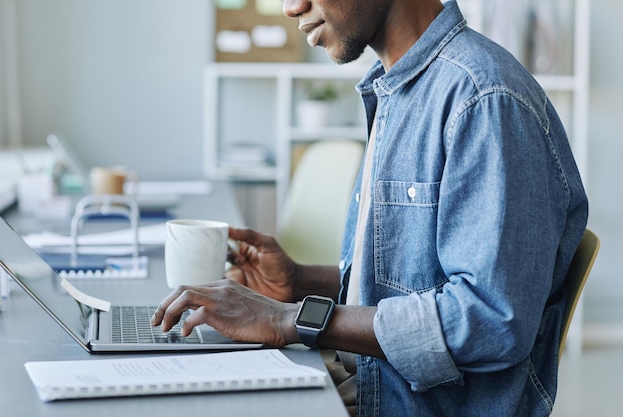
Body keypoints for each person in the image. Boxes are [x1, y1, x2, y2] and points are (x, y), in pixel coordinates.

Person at [151, 0, 589, 415]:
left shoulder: (483, 99)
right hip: (362, 385)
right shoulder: (398, 88)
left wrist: (292, 319)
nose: (290, 6)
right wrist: (300, 283)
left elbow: (489, 320)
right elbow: (409, 286)